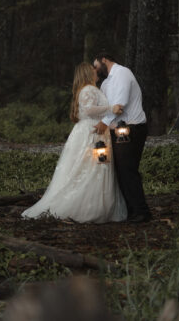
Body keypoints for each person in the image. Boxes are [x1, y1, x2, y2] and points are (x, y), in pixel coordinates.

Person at [22, 62, 127, 223]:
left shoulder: (86, 90)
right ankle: (90, 207)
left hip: (88, 131)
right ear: (87, 73)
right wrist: (111, 108)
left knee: (88, 167)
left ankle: (96, 206)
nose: (96, 70)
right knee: (92, 167)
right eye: (93, 69)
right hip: (91, 134)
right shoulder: (89, 89)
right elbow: (89, 110)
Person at [93, 53, 151, 224]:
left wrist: (104, 123)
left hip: (131, 128)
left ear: (104, 59)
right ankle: (131, 210)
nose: (95, 69)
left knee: (128, 170)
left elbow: (121, 103)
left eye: (95, 64)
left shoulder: (123, 73)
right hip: (115, 130)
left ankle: (141, 211)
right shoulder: (106, 83)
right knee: (120, 171)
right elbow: (105, 107)